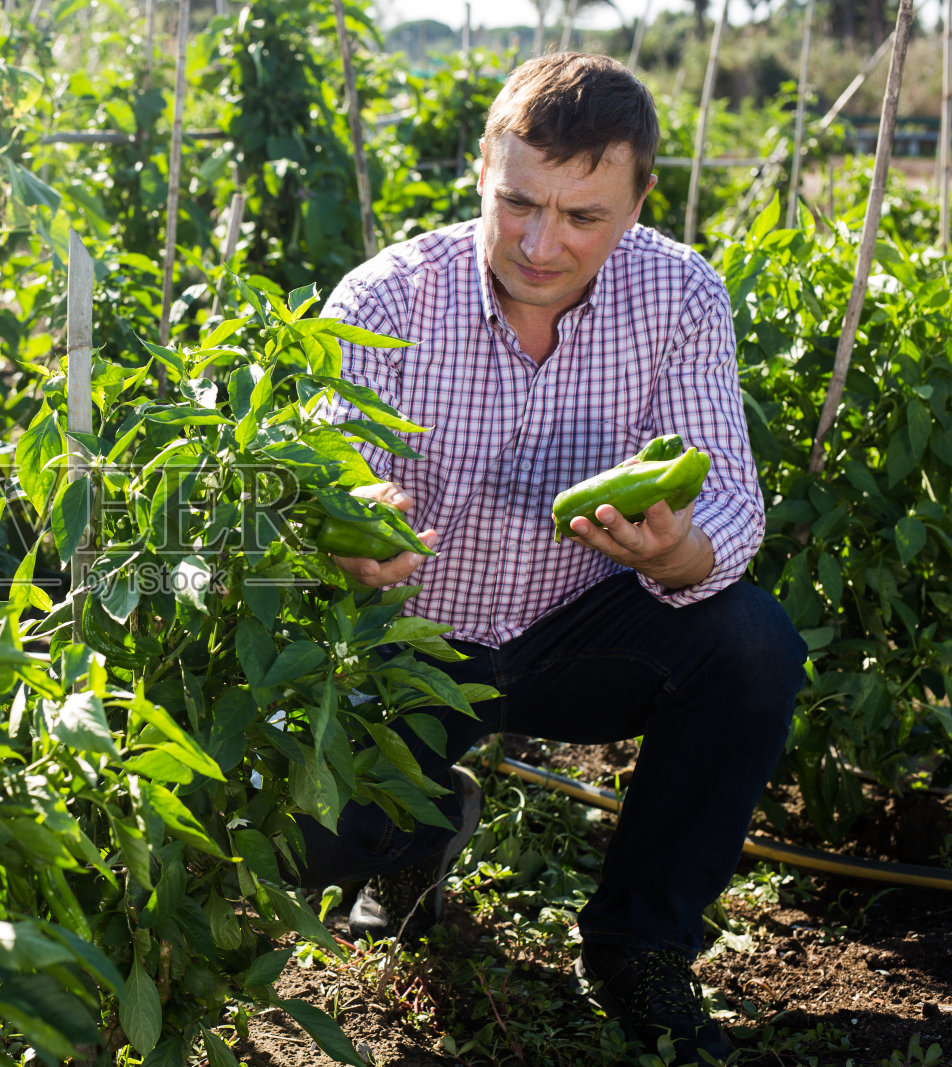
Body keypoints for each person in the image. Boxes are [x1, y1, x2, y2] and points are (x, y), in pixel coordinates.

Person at [301, 53, 808, 1065]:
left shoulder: (677, 296)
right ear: (484, 168)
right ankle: (419, 829)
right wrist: (349, 527)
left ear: (639, 201)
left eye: (582, 216)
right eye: (518, 202)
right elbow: (320, 475)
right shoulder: (388, 298)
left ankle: (638, 945)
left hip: (580, 634)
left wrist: (675, 552)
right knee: (305, 845)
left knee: (748, 644)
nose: (541, 243)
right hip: (411, 642)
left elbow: (729, 505)